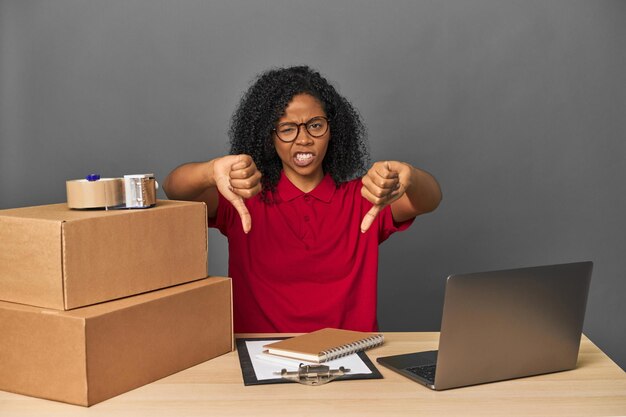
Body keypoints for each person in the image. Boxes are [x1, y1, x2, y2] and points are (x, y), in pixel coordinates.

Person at [163, 66, 441, 333]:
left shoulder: (365, 198)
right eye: (287, 128)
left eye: (315, 125)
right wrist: (210, 171)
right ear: (268, 137)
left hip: (350, 358)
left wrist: (411, 176)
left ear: (333, 130)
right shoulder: (245, 197)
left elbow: (428, 201)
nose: (304, 139)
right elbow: (174, 189)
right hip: (258, 357)